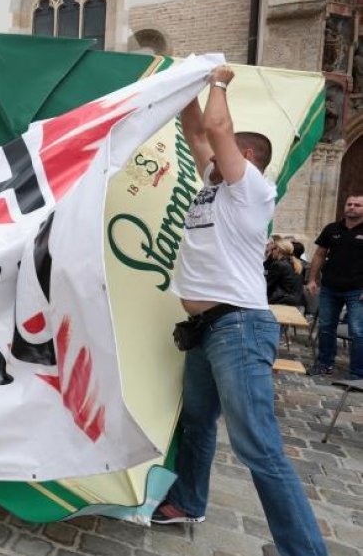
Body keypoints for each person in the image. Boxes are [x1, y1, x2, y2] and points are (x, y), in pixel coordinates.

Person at [153, 66, 329, 556]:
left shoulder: (251, 188)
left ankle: (305, 551)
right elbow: (196, 131)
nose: (210, 156)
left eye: (223, 154)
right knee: (197, 421)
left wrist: (219, 82)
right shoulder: (213, 187)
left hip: (239, 328)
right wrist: (187, 85)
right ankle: (189, 501)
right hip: (207, 329)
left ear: (246, 157)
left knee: (259, 448)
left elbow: (215, 129)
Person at [307, 194, 363, 379]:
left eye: (357, 205)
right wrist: (312, 279)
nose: (352, 207)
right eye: (349, 204)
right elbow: (319, 255)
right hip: (330, 287)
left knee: (357, 331)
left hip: (357, 290)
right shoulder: (332, 229)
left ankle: (357, 373)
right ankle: (324, 365)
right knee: (326, 327)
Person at [265, 239, 304, 306]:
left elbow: (267, 283)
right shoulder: (295, 263)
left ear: (279, 250)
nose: (271, 251)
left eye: (273, 249)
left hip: (282, 301)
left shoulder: (278, 264)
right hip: (296, 301)